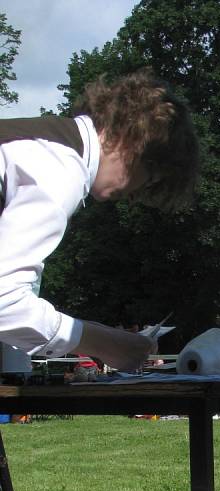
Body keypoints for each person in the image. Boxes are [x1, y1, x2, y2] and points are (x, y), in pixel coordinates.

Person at [0, 69, 199, 373]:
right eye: (148, 179)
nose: (134, 194)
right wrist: (104, 342)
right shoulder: (59, 169)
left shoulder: (40, 142)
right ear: (138, 140)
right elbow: (5, 302)